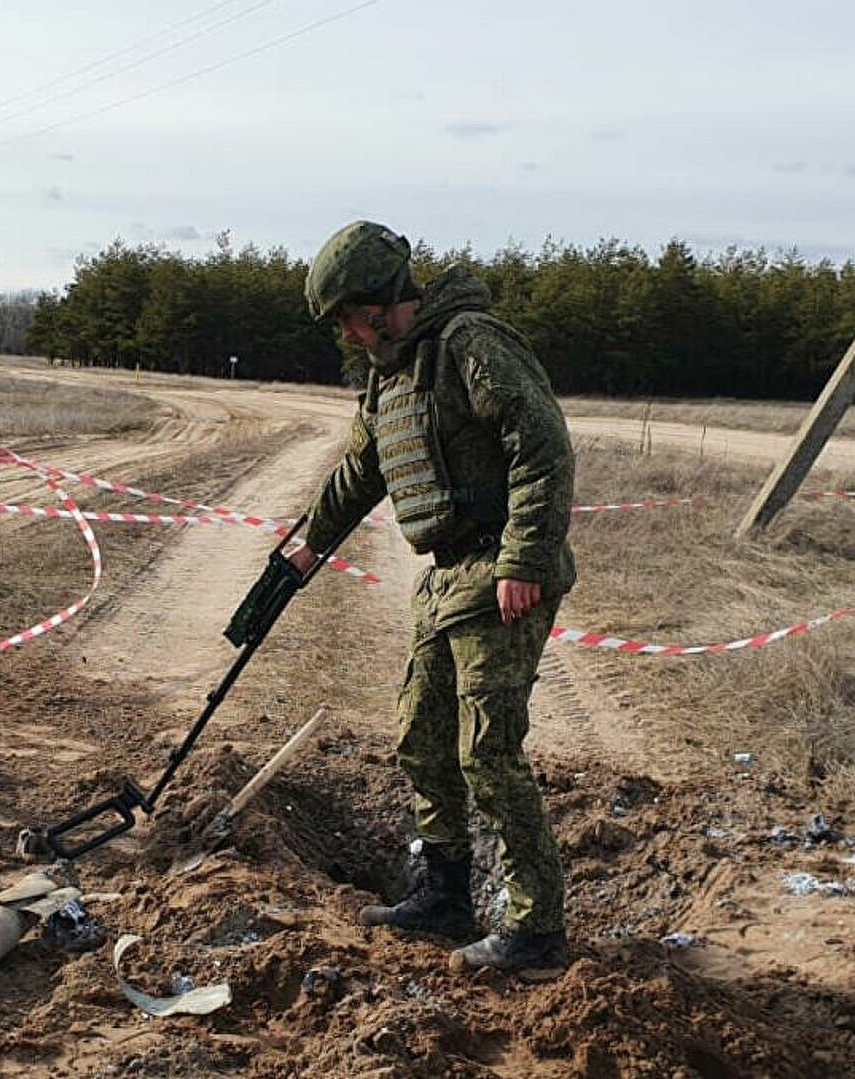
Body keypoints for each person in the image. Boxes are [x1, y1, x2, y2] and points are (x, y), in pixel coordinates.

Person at [286, 221, 576, 976]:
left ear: (383, 299)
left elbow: (542, 444)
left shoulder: (472, 343)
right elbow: (361, 467)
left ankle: (538, 929)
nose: (348, 333)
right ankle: (445, 893)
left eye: (351, 315)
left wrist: (526, 557)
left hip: (500, 571)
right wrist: (311, 540)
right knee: (421, 732)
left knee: (487, 750)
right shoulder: (392, 373)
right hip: (446, 574)